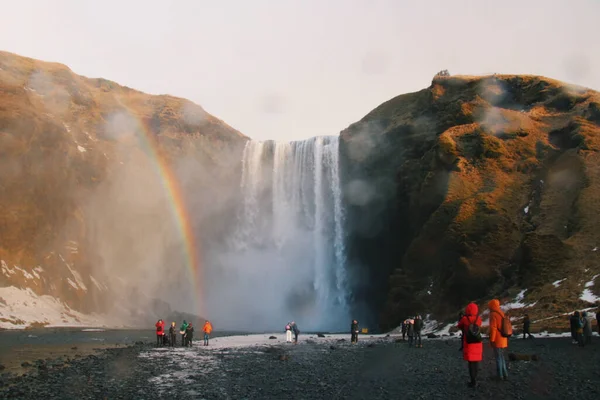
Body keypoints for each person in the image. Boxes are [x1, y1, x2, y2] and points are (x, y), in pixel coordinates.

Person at [457, 302, 483, 388]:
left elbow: (459, 325)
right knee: (476, 362)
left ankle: (473, 381)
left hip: (469, 343)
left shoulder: (465, 319)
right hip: (477, 342)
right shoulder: (478, 319)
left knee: (470, 363)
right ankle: (476, 378)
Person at [489, 299, 509, 381]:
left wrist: (492, 339)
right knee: (502, 357)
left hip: (497, 339)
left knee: (498, 357)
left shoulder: (493, 314)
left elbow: (493, 328)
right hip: (503, 338)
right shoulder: (502, 313)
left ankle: (499, 375)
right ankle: (505, 374)